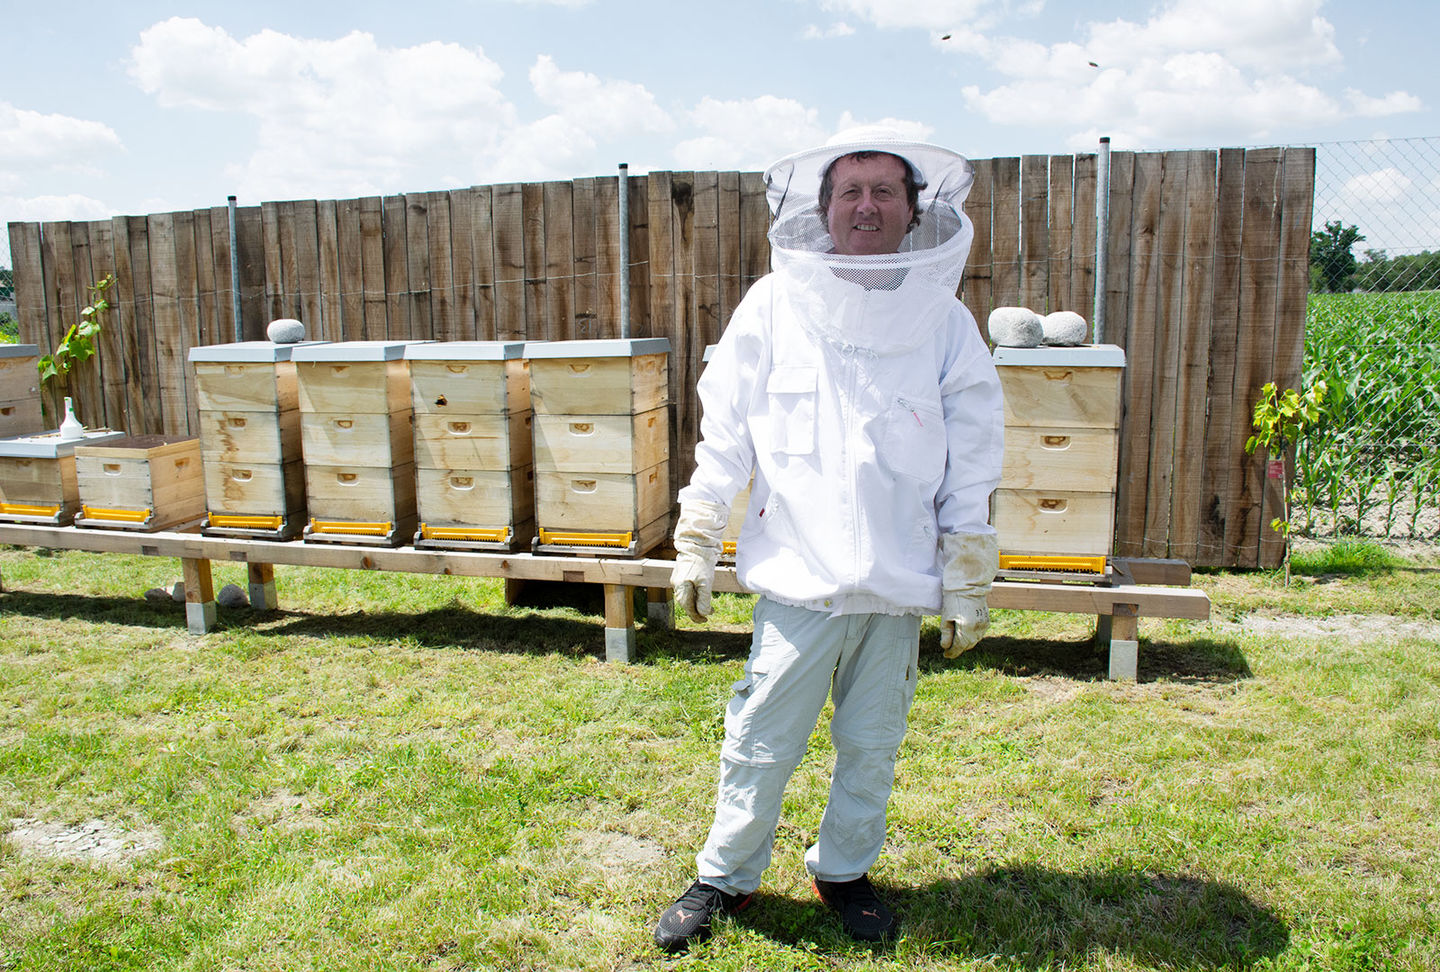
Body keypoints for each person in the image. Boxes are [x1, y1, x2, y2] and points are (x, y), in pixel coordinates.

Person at [653, 127, 1005, 952]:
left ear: (916, 210)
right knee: (759, 741)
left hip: (897, 582)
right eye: (851, 191)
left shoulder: (945, 321)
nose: (867, 206)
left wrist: (968, 574)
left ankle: (843, 871)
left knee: (871, 744)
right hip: (798, 581)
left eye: (885, 191)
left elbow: (973, 450)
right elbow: (727, 430)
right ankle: (725, 876)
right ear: (823, 209)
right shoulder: (773, 306)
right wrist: (698, 534)